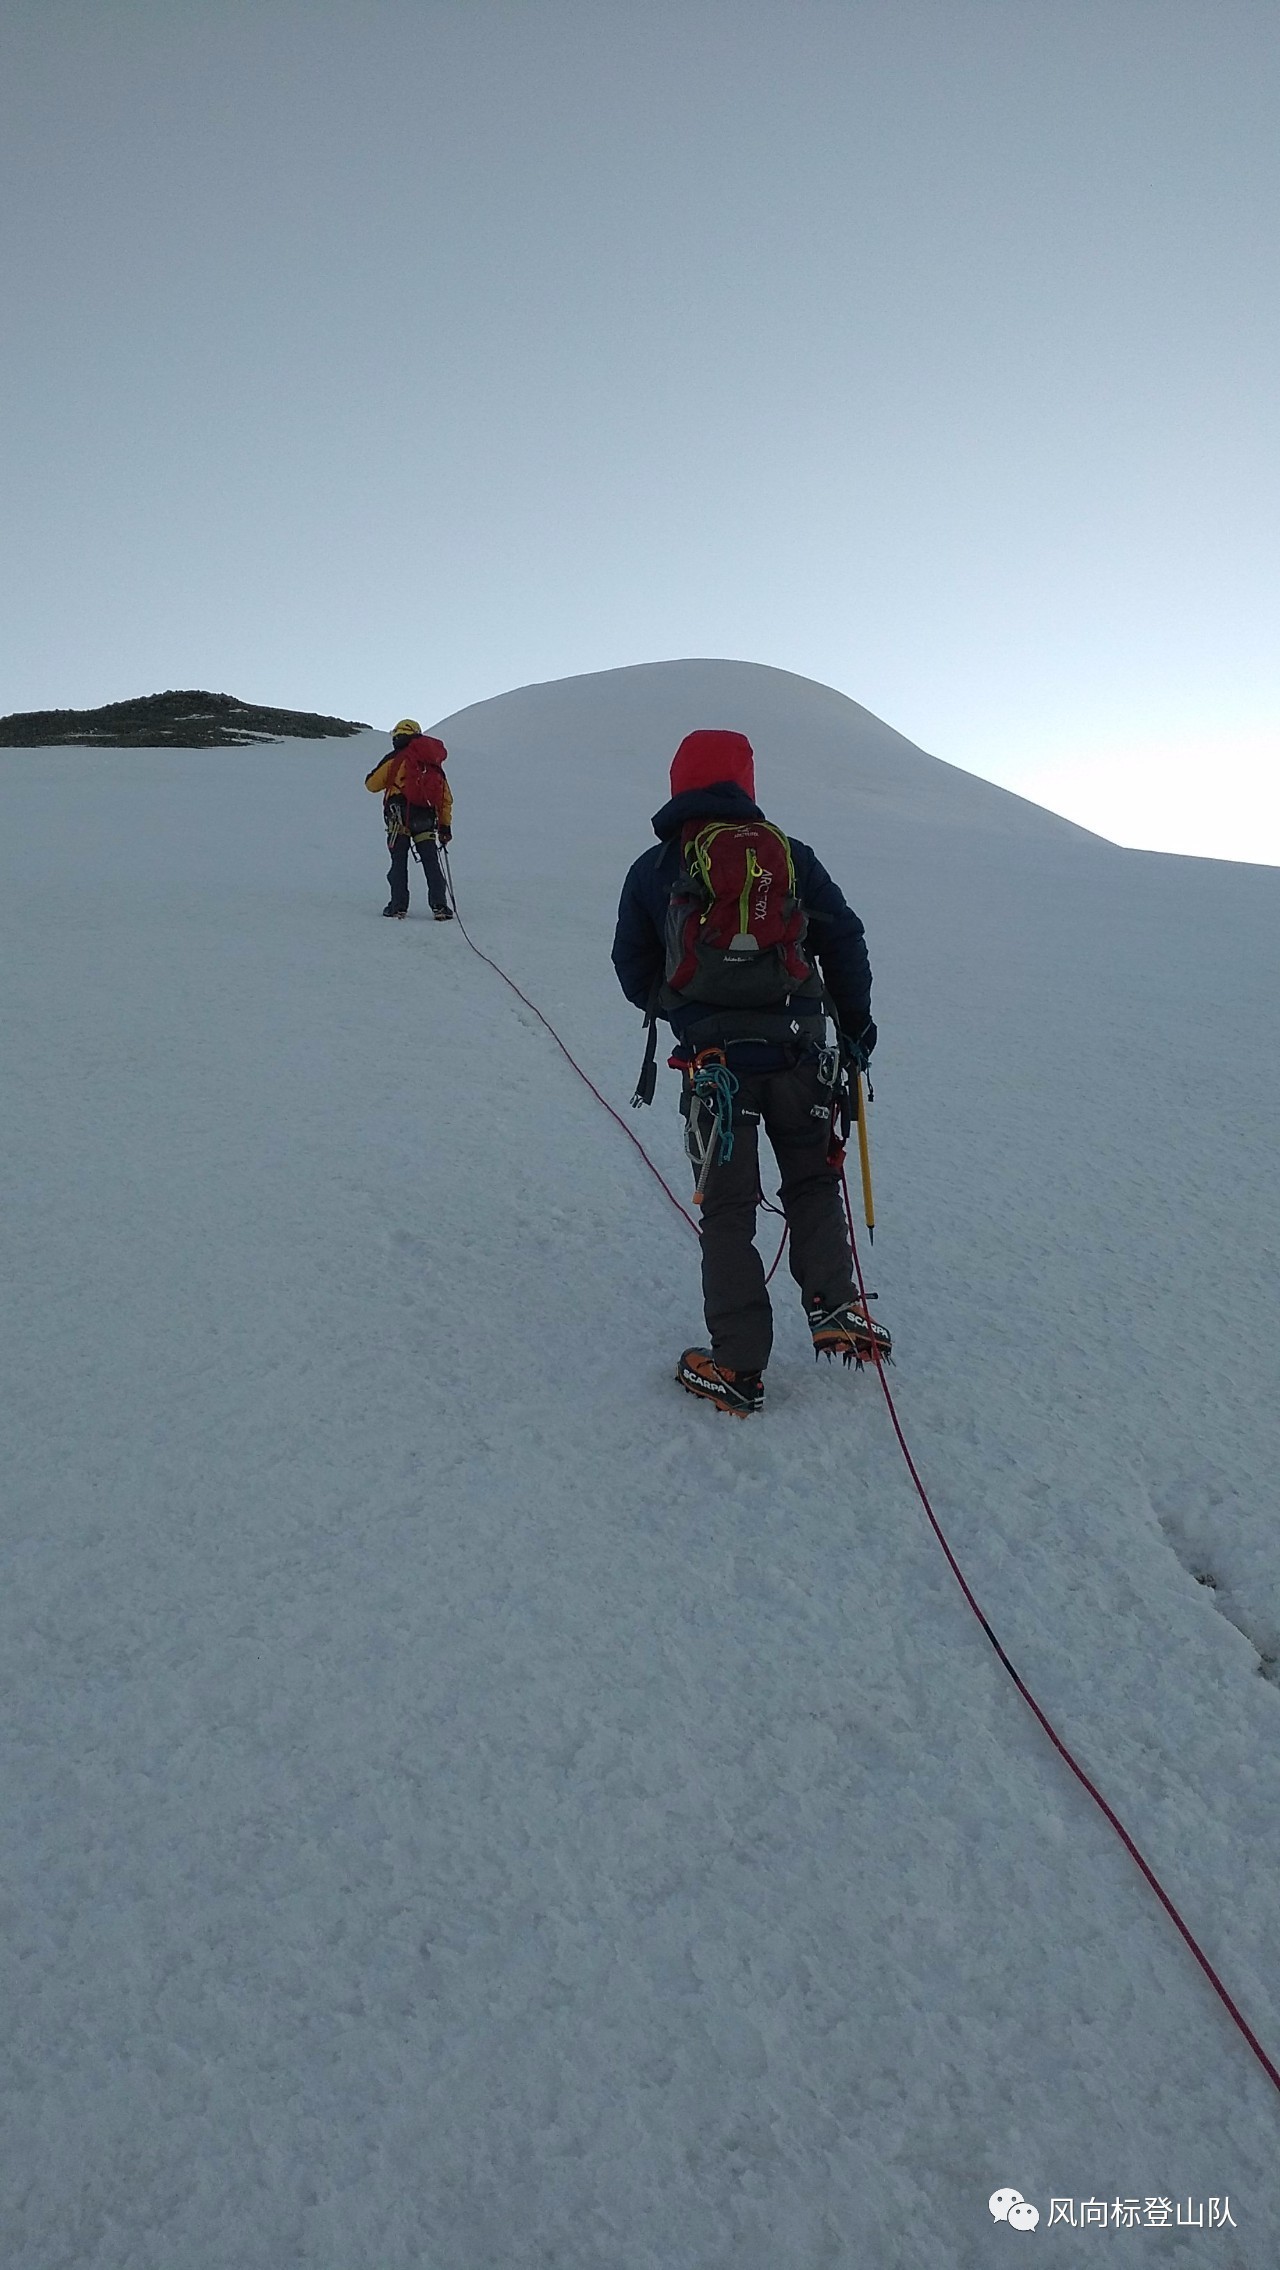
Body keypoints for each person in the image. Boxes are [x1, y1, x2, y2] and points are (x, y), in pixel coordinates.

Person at [612, 727, 884, 1414]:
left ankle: (735, 1366)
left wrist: (685, 1010)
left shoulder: (655, 867)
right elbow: (843, 938)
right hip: (803, 1045)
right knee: (814, 1180)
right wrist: (854, 1028)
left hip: (714, 1062)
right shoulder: (790, 857)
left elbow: (631, 966)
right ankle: (837, 1309)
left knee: (729, 1209)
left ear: (678, 782)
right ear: (747, 781)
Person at [364, 719, 454, 919]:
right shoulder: (431, 763)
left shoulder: (396, 758)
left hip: (399, 818)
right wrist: (445, 826)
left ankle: (398, 906)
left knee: (399, 861)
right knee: (431, 862)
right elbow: (445, 798)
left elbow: (371, 784)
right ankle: (440, 906)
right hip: (425, 818)